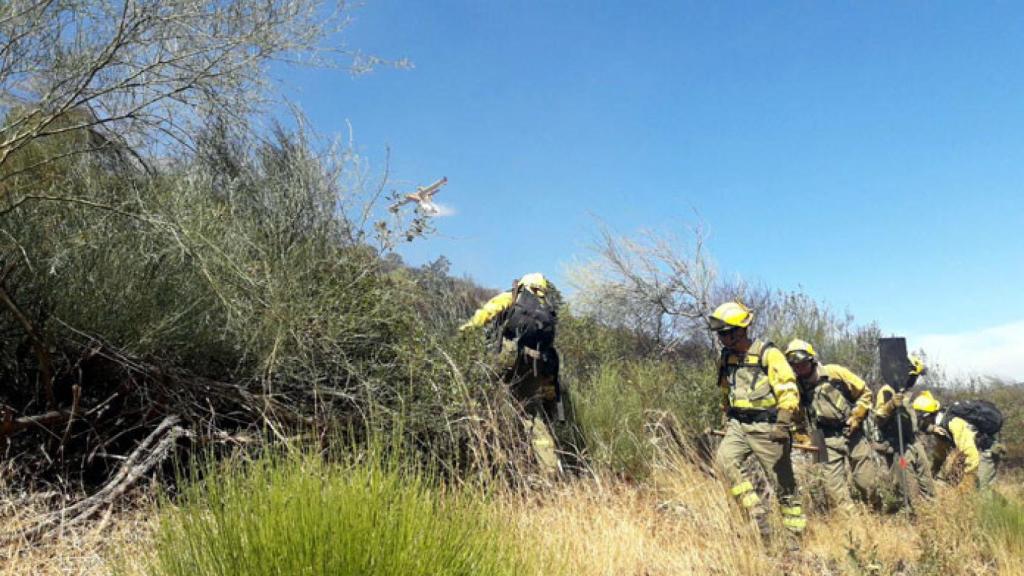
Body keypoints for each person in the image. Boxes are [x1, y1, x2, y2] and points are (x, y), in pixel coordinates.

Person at [709, 301, 806, 546]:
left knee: (783, 485)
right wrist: (726, 412)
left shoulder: (768, 353)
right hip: (739, 425)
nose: (721, 338)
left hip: (769, 428)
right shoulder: (726, 358)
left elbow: (787, 388)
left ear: (740, 330)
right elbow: (725, 388)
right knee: (724, 462)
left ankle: (795, 539)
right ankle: (757, 515)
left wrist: (784, 423)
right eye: (720, 333)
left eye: (725, 332)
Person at [460, 273, 570, 475]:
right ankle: (550, 468)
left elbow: (485, 313)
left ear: (523, 284)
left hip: (509, 357)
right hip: (536, 363)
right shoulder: (546, 307)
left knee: (480, 394)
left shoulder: (514, 296)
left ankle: (481, 455)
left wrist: (464, 332)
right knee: (531, 414)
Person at [784, 339, 872, 513]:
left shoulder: (835, 373)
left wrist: (857, 415)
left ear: (811, 360)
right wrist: (803, 437)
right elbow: (795, 418)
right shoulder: (795, 386)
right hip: (821, 436)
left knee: (867, 483)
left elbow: (865, 393)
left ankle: (874, 510)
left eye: (801, 364)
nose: (798, 368)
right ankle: (854, 527)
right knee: (834, 490)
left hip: (852, 430)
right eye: (794, 365)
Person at [866, 356, 934, 509]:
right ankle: (912, 514)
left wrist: (931, 428)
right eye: (913, 376)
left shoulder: (907, 392)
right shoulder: (888, 390)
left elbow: (914, 419)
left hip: (914, 442)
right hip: (899, 447)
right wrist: (891, 405)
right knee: (908, 484)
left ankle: (931, 512)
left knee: (927, 481)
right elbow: (879, 417)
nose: (914, 380)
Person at [911, 390, 1004, 491]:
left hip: (987, 449)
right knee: (949, 481)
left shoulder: (953, 423)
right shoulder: (941, 426)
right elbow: (940, 452)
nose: (922, 423)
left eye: (921, 419)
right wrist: (933, 472)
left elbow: (972, 457)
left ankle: (988, 505)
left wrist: (966, 484)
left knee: (982, 489)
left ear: (927, 416)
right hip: (975, 449)